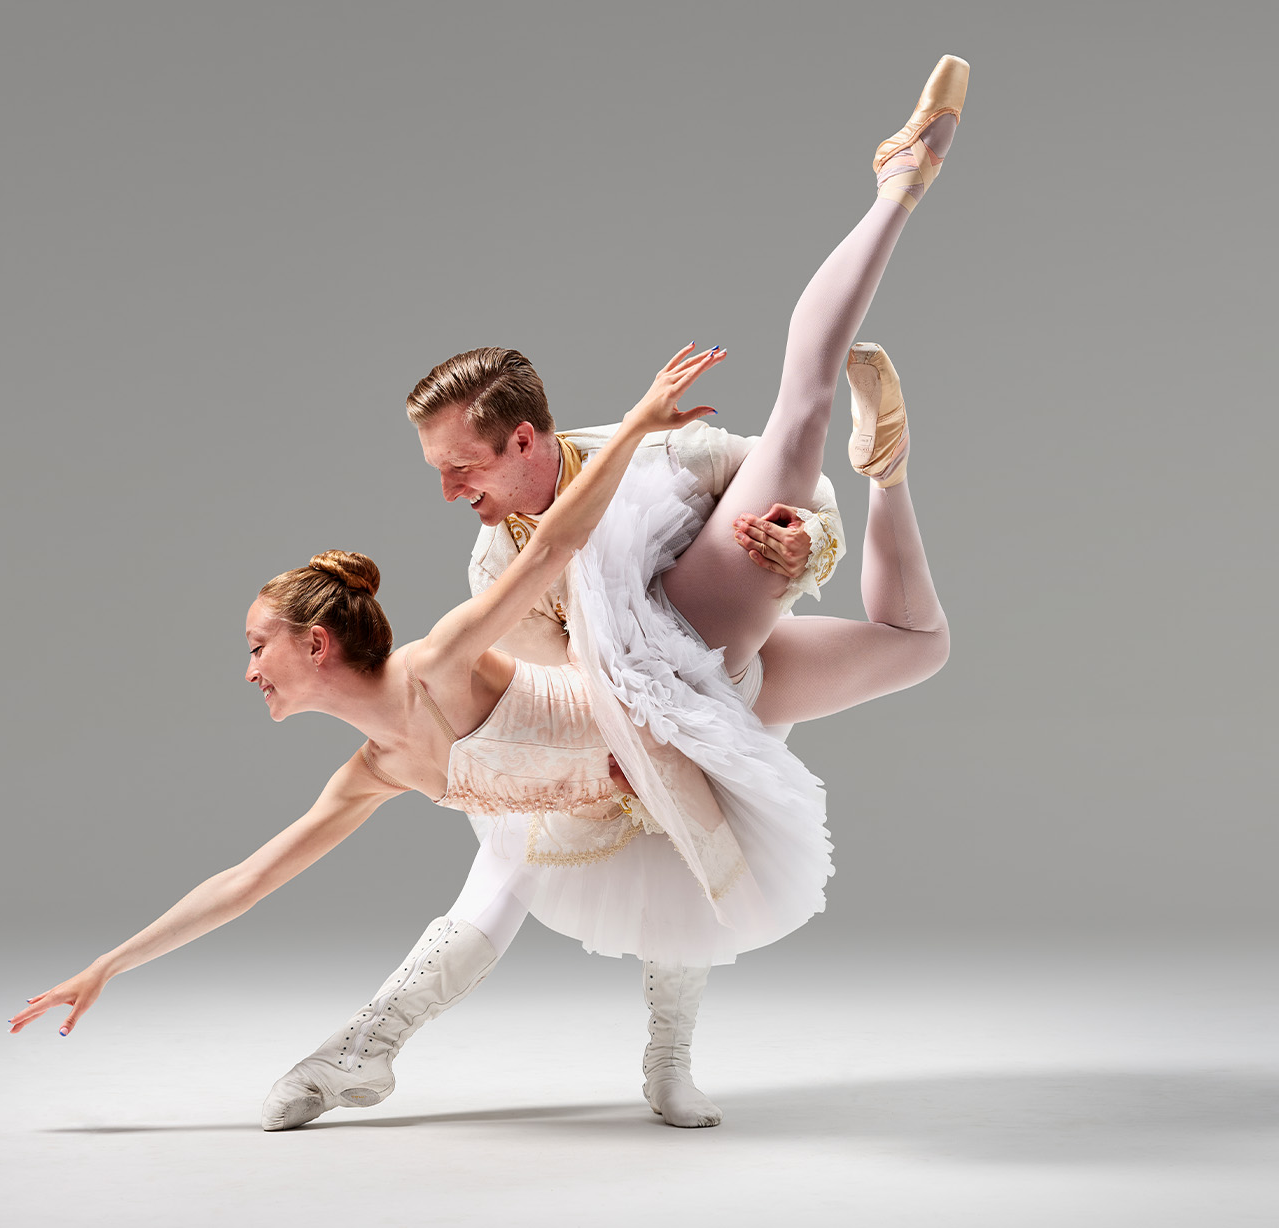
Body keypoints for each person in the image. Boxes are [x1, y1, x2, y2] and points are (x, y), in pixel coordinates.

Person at [260, 56, 965, 1129]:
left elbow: (783, 481)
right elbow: (572, 711)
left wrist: (806, 544)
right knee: (546, 854)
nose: (453, 492)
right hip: (641, 715)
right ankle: (374, 1046)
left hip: (720, 631)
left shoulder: (659, 458)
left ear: (530, 439)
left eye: (467, 468)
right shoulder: (496, 566)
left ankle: (893, 222)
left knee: (893, 593)